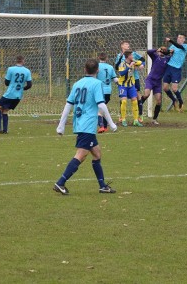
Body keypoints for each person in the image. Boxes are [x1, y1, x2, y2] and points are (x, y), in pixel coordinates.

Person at [54, 58, 118, 195]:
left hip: (79, 122)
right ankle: (60, 183)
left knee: (97, 153)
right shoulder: (97, 84)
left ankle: (102, 186)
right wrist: (111, 123)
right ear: (98, 70)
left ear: (85, 69)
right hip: (87, 125)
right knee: (81, 155)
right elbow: (101, 105)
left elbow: (68, 105)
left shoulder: (77, 83)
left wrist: (61, 126)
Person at [0, 55, 32, 134]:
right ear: (23, 61)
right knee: (5, 110)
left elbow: (6, 83)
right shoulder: (27, 71)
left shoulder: (11, 69)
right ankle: (5, 130)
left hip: (10, 94)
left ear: (16, 61)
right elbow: (29, 85)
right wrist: (22, 88)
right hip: (18, 96)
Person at [139, 46, 171, 125]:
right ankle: (137, 107)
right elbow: (148, 51)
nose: (160, 52)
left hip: (158, 82)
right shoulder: (155, 56)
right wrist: (157, 49)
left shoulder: (167, 59)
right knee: (146, 95)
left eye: (162, 51)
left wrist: (171, 51)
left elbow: (173, 54)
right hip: (150, 80)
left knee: (159, 101)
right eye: (160, 50)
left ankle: (154, 119)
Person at [115, 41, 145, 122]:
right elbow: (117, 67)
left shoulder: (134, 54)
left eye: (128, 44)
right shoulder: (119, 56)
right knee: (123, 97)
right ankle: (121, 115)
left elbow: (143, 59)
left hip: (135, 78)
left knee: (137, 95)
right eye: (126, 44)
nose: (128, 45)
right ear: (121, 46)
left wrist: (142, 65)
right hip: (124, 79)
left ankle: (140, 115)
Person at [162, 34, 187, 111]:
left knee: (174, 89)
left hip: (176, 69)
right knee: (165, 88)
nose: (179, 39)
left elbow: (179, 46)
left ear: (184, 40)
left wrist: (170, 40)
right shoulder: (173, 46)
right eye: (178, 37)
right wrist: (165, 51)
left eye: (181, 38)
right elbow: (168, 53)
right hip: (169, 67)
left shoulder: (185, 46)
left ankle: (181, 101)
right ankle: (174, 100)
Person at [96, 52, 118, 133]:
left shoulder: (97, 66)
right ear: (107, 58)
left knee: (98, 110)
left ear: (99, 58)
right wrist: (121, 84)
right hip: (108, 92)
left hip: (99, 91)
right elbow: (115, 79)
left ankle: (101, 126)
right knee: (103, 108)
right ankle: (105, 127)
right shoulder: (110, 67)